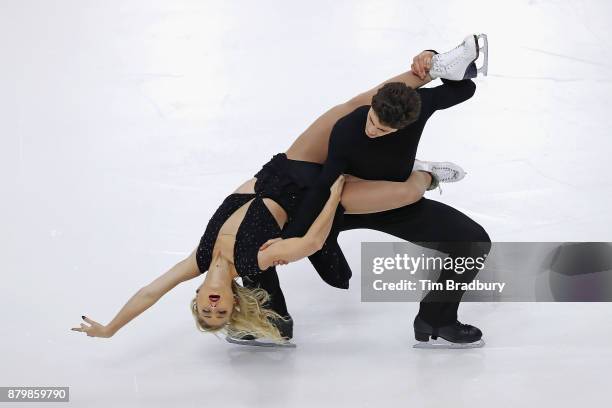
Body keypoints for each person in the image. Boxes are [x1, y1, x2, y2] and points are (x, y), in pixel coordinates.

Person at [71, 36, 480, 346]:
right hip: (315, 199)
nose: (215, 307)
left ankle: (437, 64)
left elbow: (148, 292)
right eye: (222, 313)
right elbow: (312, 238)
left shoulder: (197, 258)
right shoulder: (255, 262)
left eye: (207, 310)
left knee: (350, 110)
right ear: (232, 301)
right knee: (405, 192)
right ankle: (426, 174)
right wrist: (336, 193)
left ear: (198, 296)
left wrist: (110, 328)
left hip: (286, 169)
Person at [276, 34, 491, 348]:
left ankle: (437, 317)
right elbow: (325, 185)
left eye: (383, 130)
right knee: (265, 232)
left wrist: (431, 56)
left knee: (475, 243)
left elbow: (466, 88)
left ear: (404, 125)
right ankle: (268, 317)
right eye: (373, 120)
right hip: (350, 202)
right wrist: (291, 237)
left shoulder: (422, 106)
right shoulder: (348, 127)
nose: (372, 130)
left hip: (394, 199)